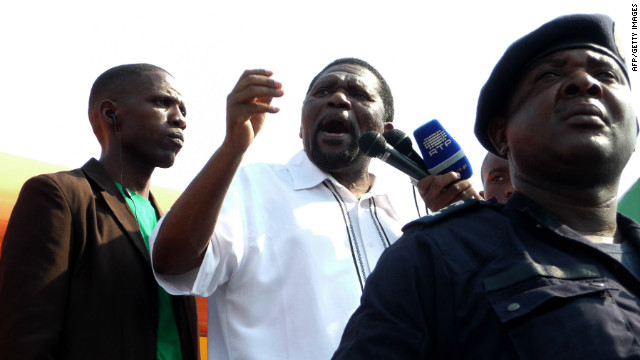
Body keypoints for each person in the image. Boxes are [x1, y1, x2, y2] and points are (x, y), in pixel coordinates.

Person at [332, 14, 640, 359]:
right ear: (501, 136)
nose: (585, 83)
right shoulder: (432, 259)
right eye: (550, 75)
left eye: (606, 74)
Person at [149, 58, 480, 360]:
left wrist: (466, 227)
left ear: (386, 133)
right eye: (323, 92)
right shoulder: (252, 187)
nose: (337, 99)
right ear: (302, 126)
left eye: (359, 94)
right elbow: (172, 262)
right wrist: (233, 146)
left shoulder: (418, 215)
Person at [0, 64, 200, 360]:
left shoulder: (174, 223)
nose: (179, 119)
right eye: (162, 102)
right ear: (110, 113)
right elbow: (26, 337)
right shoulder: (58, 196)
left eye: (183, 110)